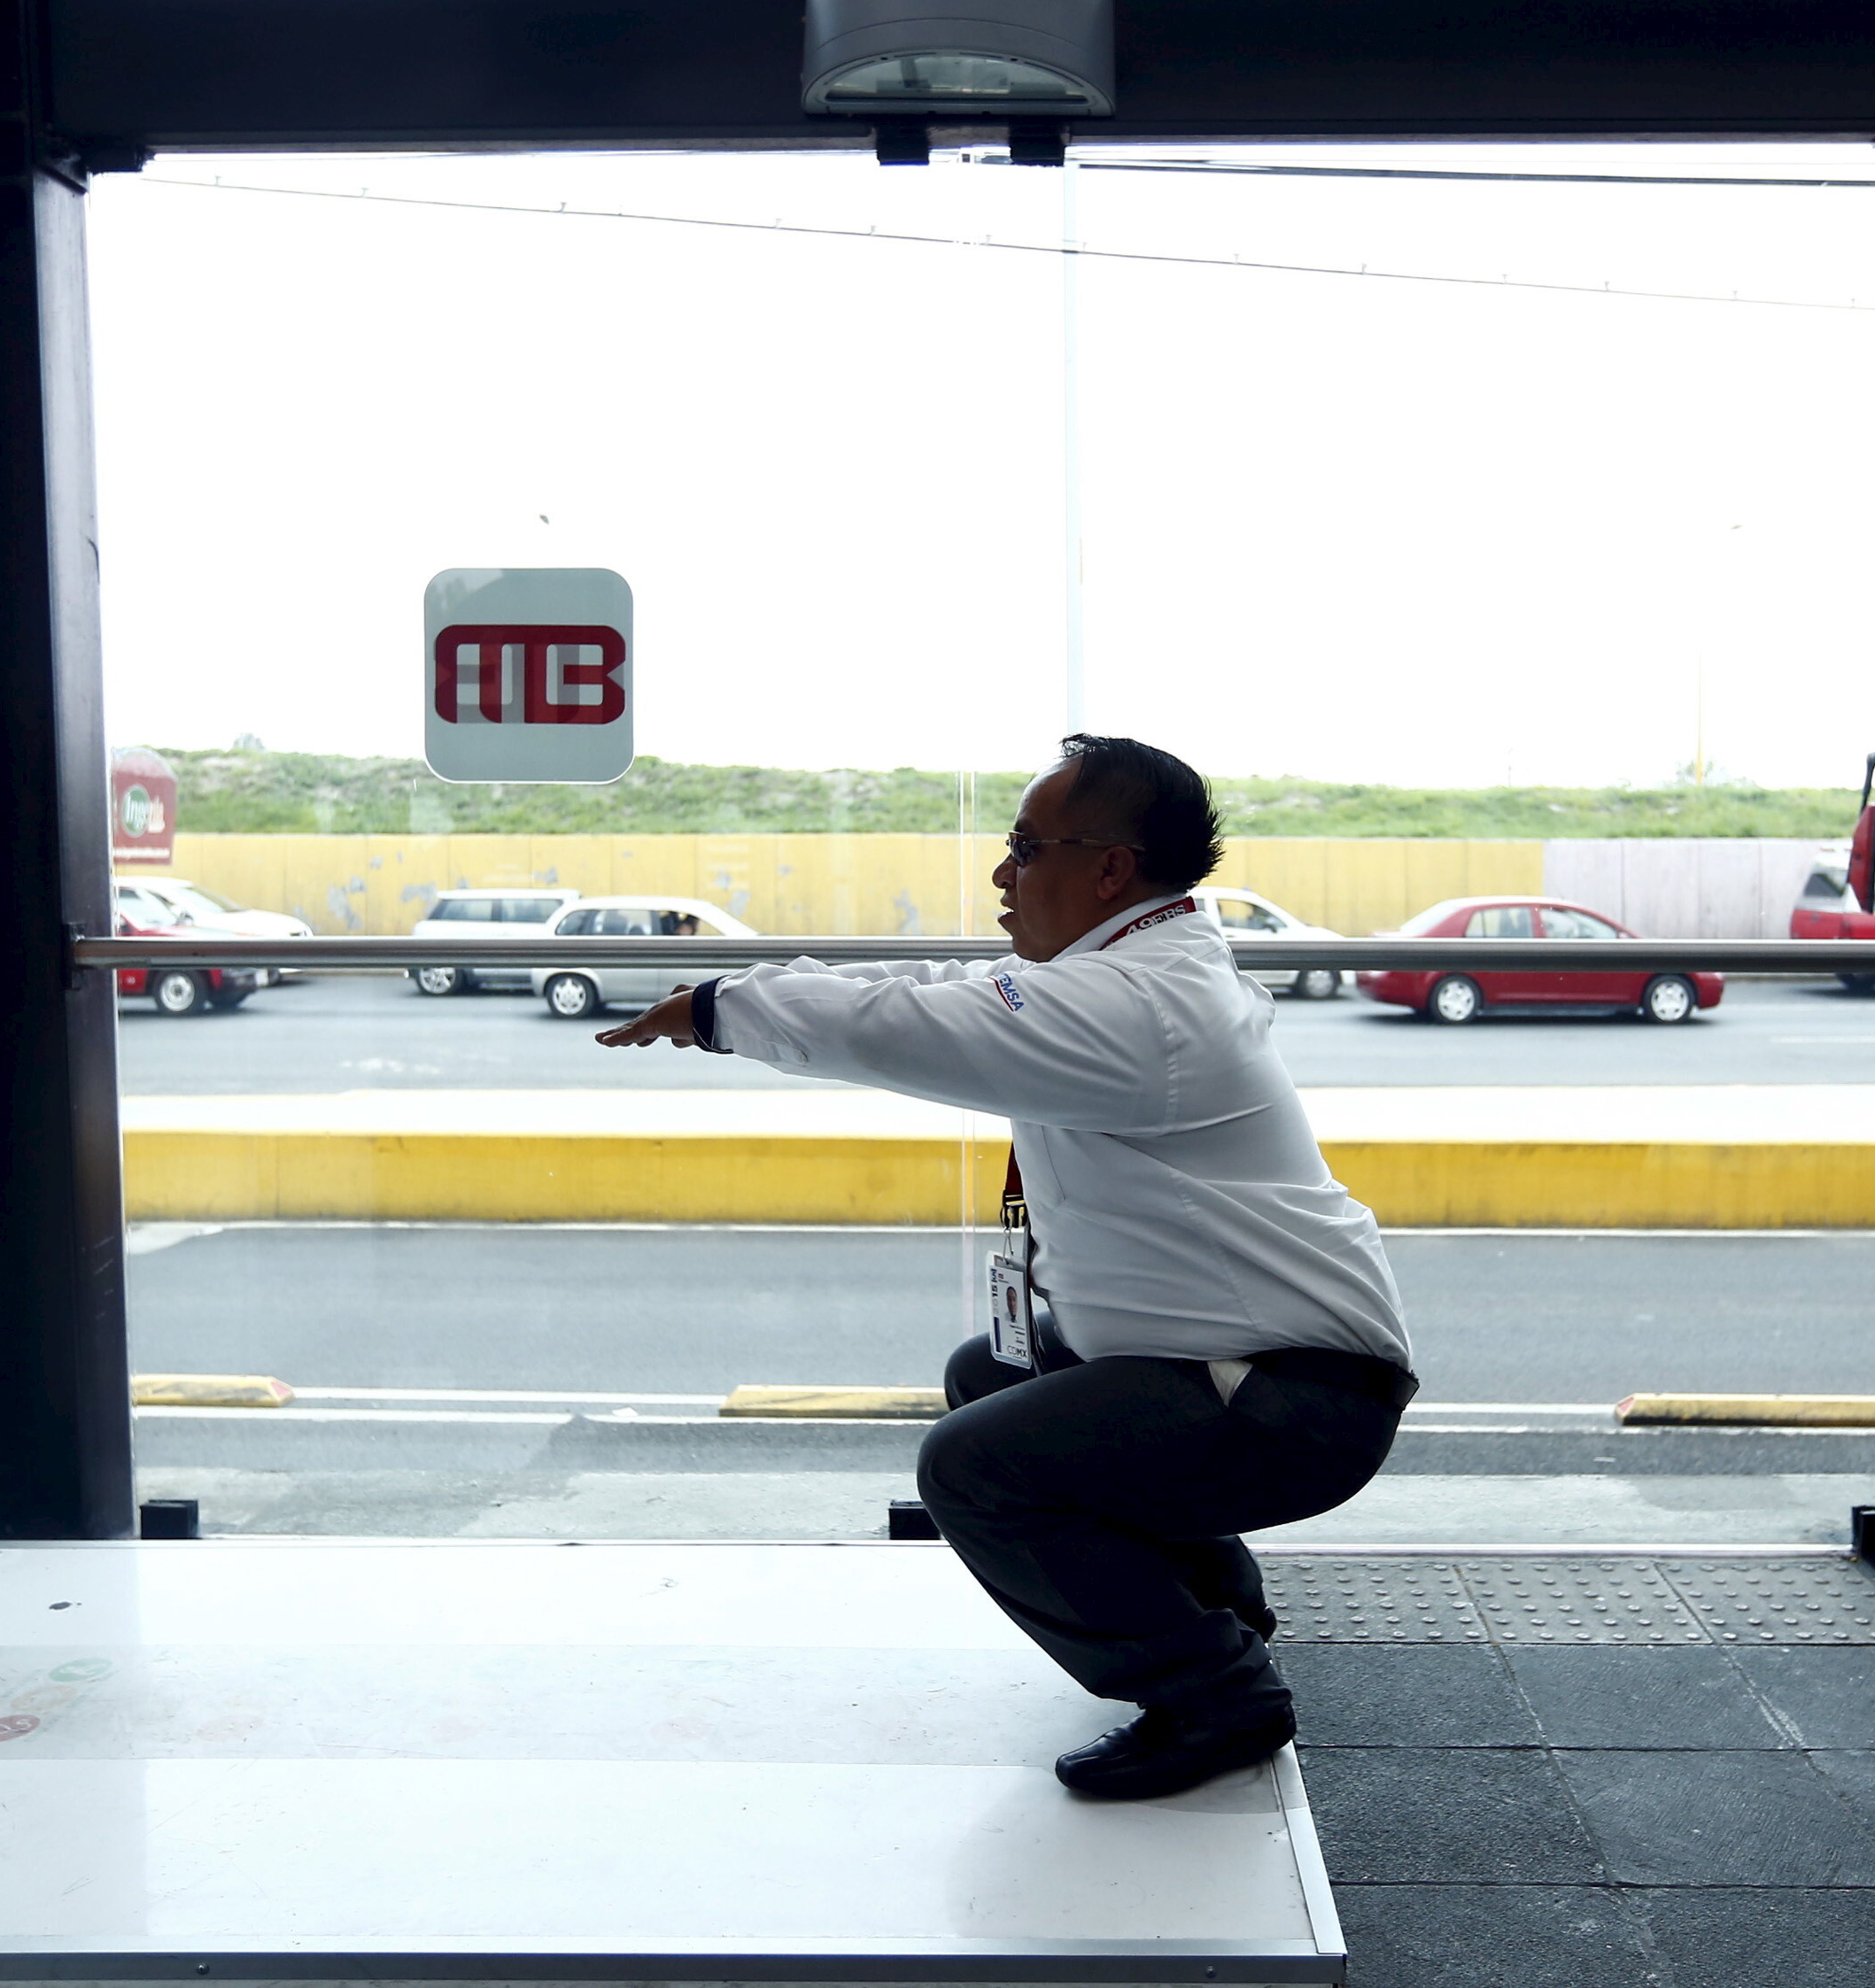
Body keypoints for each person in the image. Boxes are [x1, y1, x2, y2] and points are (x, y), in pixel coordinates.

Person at [596, 734, 1414, 1799]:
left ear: (1110, 868)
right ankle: (1213, 1613)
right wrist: (736, 999)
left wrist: (718, 1010)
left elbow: (909, 1024)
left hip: (1289, 1400)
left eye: (1025, 847)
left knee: (972, 1466)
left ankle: (1217, 1693)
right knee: (992, 1375)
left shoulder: (1139, 1009)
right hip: (1247, 1363)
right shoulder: (1129, 971)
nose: (1000, 873)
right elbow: (947, 985)